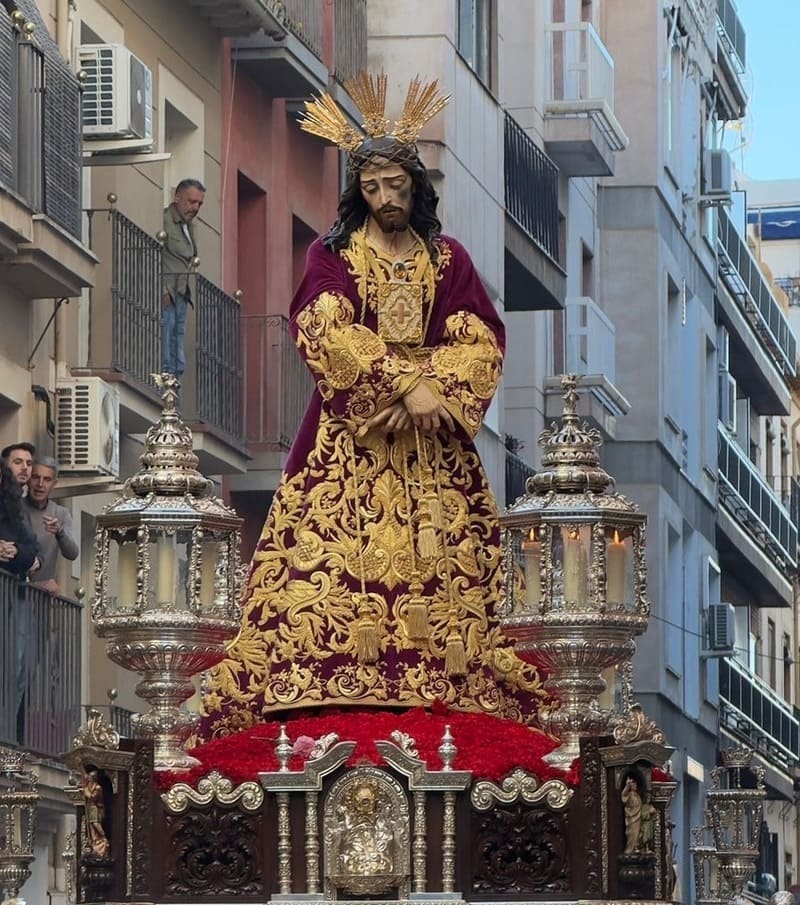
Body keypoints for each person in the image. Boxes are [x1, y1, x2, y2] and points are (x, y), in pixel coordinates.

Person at [203, 73, 541, 736]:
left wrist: (432, 391)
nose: (385, 197)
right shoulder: (334, 254)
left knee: (456, 567)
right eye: (372, 186)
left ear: (417, 186)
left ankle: (452, 684)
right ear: (358, 191)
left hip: (432, 442)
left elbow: (478, 335)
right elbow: (321, 321)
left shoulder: (448, 259)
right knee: (317, 561)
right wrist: (396, 384)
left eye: (396, 184)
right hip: (348, 439)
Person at [161, 178, 205, 378]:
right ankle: (167, 382)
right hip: (168, 291)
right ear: (177, 197)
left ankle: (174, 388)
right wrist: (162, 287)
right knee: (167, 339)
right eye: (191, 201)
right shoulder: (165, 220)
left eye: (199, 203)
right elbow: (157, 252)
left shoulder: (190, 227)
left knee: (177, 341)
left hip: (182, 292)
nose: (195, 207)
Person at [25, 457, 79, 595]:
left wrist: (59, 532)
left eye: (47, 479)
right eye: (36, 477)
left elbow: (72, 553)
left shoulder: (60, 514)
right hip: (11, 593)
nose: (40, 484)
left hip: (41, 600)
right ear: (28, 479)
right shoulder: (14, 508)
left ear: (54, 484)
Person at [83, 769, 110, 858]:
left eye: (91, 777)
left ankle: (103, 837)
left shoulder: (98, 788)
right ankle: (94, 840)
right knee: (91, 824)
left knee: (95, 823)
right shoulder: (90, 785)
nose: (89, 778)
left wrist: (86, 792)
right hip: (89, 807)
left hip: (95, 808)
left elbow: (93, 797)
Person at [621, 776, 644, 854]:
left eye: (636, 785)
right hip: (631, 818)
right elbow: (623, 796)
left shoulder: (637, 795)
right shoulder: (629, 794)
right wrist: (627, 786)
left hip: (638, 817)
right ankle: (630, 849)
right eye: (634, 785)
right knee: (632, 834)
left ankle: (636, 847)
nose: (635, 786)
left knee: (638, 834)